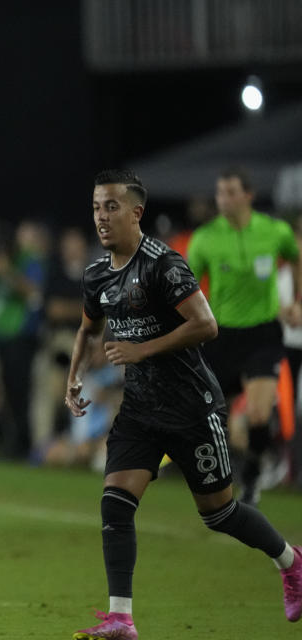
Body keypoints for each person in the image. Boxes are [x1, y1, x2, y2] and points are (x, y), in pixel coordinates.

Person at [65, 170, 302, 639]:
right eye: (96, 207)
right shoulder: (97, 274)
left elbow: (206, 324)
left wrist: (141, 350)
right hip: (140, 411)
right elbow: (89, 327)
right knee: (115, 503)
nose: (101, 217)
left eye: (111, 206)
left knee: (220, 514)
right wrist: (74, 376)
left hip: (193, 408)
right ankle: (121, 618)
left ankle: (292, 563)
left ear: (136, 213)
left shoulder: (163, 265)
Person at [187, 167, 302, 506]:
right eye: (220, 193)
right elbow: (188, 287)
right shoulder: (205, 238)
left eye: (231, 192)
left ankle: (251, 479)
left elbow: (297, 260)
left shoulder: (275, 231)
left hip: (263, 334)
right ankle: (233, 468)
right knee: (209, 417)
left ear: (248, 195)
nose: (224, 199)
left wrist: (296, 300)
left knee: (258, 414)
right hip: (222, 336)